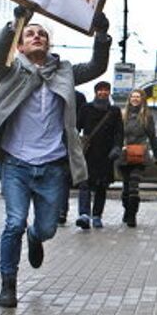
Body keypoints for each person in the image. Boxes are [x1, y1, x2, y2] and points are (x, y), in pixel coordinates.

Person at [0, 7, 111, 308]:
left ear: (49, 44)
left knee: (46, 228)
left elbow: (97, 67)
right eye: (30, 33)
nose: (37, 36)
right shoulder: (11, 71)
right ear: (20, 45)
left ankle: (36, 238)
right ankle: (8, 284)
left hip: (52, 166)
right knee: (14, 223)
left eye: (42, 34)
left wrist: (102, 35)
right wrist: (17, 21)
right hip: (16, 164)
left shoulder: (64, 72)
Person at [75, 81, 123, 229]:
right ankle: (84, 214)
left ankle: (97, 215)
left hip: (106, 154)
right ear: (95, 92)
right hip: (88, 152)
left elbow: (119, 132)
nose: (103, 93)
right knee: (85, 184)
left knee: (101, 185)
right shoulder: (86, 108)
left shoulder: (114, 111)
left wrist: (116, 147)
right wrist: (75, 145)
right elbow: (76, 127)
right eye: (100, 90)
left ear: (109, 93)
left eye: (105, 90)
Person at [119, 88, 157, 227]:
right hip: (124, 155)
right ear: (129, 99)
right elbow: (117, 135)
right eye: (133, 96)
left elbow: (152, 137)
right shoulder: (123, 115)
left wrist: (156, 154)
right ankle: (127, 210)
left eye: (138, 97)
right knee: (125, 189)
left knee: (133, 187)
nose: (135, 99)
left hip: (139, 154)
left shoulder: (147, 116)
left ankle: (132, 216)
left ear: (142, 99)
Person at [58, 90, 87, 225]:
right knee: (63, 180)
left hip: (72, 141)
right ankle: (61, 211)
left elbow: (81, 122)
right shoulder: (57, 92)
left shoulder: (79, 97)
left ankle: (82, 213)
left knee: (81, 179)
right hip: (59, 142)